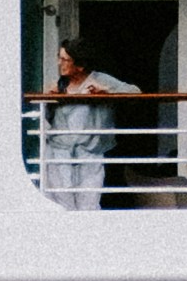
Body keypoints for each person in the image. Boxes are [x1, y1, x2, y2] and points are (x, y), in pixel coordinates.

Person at [39, 34, 124, 210]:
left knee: (89, 204)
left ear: (80, 64)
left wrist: (106, 93)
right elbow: (48, 118)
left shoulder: (99, 79)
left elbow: (135, 92)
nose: (59, 64)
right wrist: (48, 99)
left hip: (89, 153)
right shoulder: (59, 85)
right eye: (59, 58)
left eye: (65, 60)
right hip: (58, 153)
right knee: (62, 204)